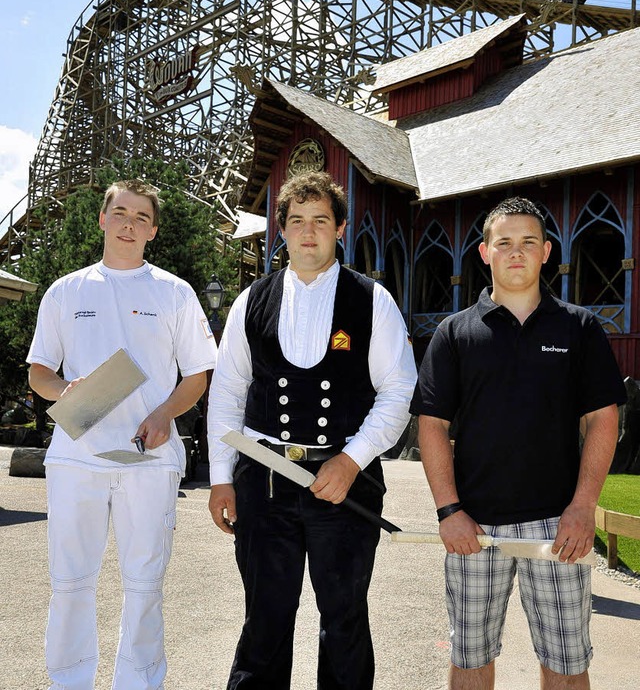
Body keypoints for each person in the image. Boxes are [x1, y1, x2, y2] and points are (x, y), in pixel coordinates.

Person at [207, 171, 416, 690]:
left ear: (340, 228)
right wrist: (220, 478)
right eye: (296, 221)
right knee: (265, 622)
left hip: (344, 482)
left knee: (343, 624)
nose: (307, 232)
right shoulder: (250, 301)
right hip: (264, 480)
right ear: (282, 230)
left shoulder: (373, 301)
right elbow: (228, 394)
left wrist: (351, 461)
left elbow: (398, 391)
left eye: (320, 220)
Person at [411, 196, 626, 690]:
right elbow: (432, 426)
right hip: (474, 526)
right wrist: (449, 511)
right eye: (503, 241)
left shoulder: (580, 327)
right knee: (469, 660)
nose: (516, 251)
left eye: (528, 242)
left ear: (547, 251)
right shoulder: (454, 333)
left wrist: (583, 507)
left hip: (558, 526)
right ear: (484, 252)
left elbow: (602, 418)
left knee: (568, 665)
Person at [27, 178, 217, 690]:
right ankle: (68, 682)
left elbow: (197, 376)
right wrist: (66, 389)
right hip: (76, 458)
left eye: (140, 218)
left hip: (147, 459)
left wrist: (163, 416)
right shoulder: (65, 291)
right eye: (120, 213)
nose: (129, 225)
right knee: (70, 583)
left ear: (153, 231)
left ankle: (139, 683)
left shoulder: (175, 293)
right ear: (102, 219)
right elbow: (39, 373)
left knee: (144, 584)